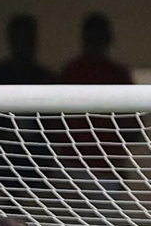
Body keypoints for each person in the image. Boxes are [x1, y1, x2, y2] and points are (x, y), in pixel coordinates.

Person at [0, 14, 57, 191]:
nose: (26, 44)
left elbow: (56, 125)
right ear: (11, 39)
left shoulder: (46, 78)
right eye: (21, 38)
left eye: (29, 38)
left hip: (35, 167)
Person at [58, 13, 139, 189]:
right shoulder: (71, 73)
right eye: (92, 37)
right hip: (70, 168)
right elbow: (54, 125)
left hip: (107, 170)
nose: (96, 43)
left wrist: (118, 166)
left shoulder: (118, 75)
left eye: (100, 37)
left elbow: (132, 128)